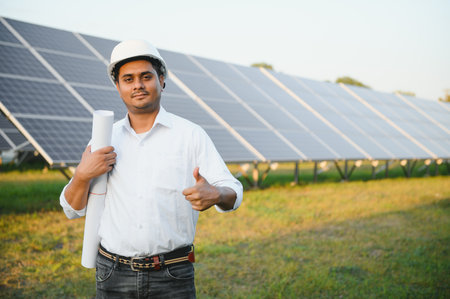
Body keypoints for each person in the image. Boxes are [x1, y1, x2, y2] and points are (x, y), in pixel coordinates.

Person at [59, 39, 243, 299]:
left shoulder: (191, 135)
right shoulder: (103, 138)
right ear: (118, 86)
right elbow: (71, 210)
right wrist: (82, 175)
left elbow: (233, 190)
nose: (138, 85)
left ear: (162, 80)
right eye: (128, 79)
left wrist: (217, 194)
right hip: (112, 273)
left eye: (146, 76)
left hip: (172, 274)